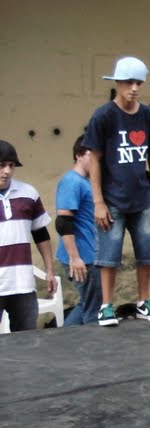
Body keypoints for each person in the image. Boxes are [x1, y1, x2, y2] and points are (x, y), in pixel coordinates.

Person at [84, 56, 150, 326]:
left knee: (147, 251)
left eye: (138, 82)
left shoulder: (148, 116)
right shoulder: (103, 116)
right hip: (112, 200)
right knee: (108, 255)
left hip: (142, 198)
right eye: (128, 82)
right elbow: (94, 158)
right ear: (117, 83)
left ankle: (144, 301)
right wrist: (98, 201)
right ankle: (106, 306)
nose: (134, 87)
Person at [0, 140, 57, 332]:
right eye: (1, 165)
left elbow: (41, 233)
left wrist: (50, 270)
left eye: (11, 165)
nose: (7, 171)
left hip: (22, 284)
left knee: (26, 345)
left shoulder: (28, 193)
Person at [54, 136, 101, 325]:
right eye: (92, 155)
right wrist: (75, 258)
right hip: (82, 257)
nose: (96, 160)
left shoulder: (86, 182)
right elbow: (63, 221)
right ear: (79, 155)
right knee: (93, 309)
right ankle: (90, 349)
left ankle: (63, 343)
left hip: (90, 254)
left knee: (87, 304)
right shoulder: (71, 182)